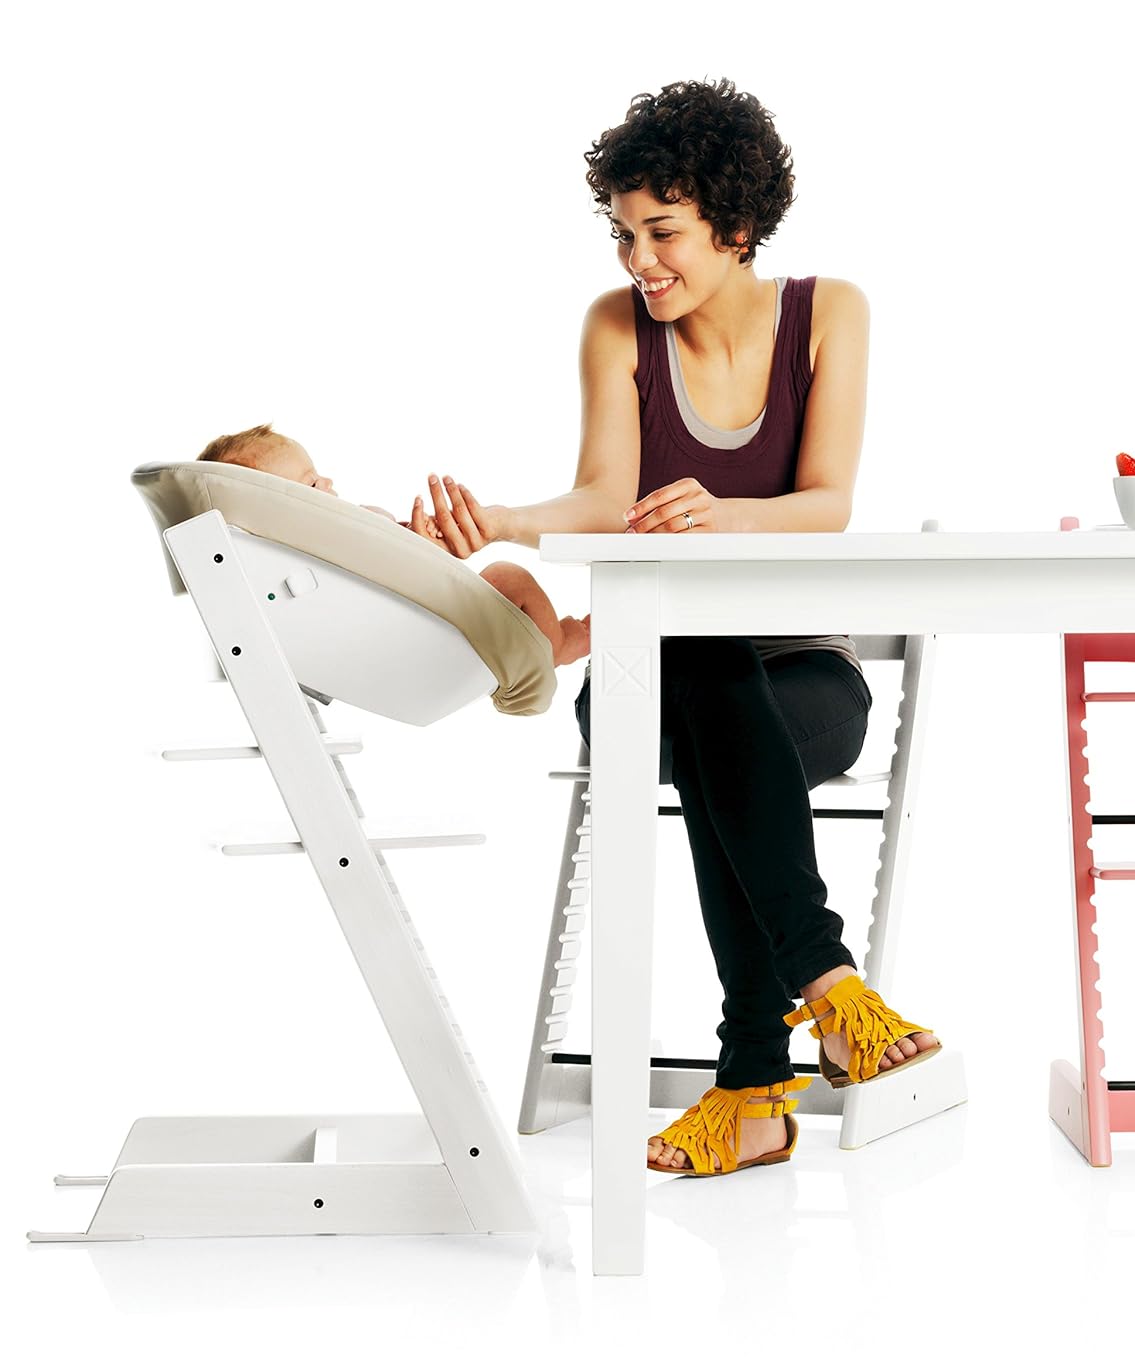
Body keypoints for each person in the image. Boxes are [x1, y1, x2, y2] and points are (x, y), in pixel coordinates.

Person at [415, 79, 942, 1176]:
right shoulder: (616, 326)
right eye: (623, 235)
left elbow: (827, 502)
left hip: (805, 681)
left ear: (736, 227)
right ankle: (829, 988)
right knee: (693, 664)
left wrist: (719, 515)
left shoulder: (829, 313)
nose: (638, 261)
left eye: (663, 232)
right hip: (645, 687)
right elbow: (605, 497)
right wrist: (504, 520)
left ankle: (753, 1090)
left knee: (719, 741)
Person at [195, 424, 590, 666]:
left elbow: (387, 563)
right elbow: (391, 575)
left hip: (417, 625)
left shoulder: (318, 543)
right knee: (508, 576)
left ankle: (550, 641)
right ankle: (558, 645)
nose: (328, 483)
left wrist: (420, 538)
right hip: (425, 636)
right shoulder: (324, 545)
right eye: (312, 483)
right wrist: (423, 547)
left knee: (502, 583)